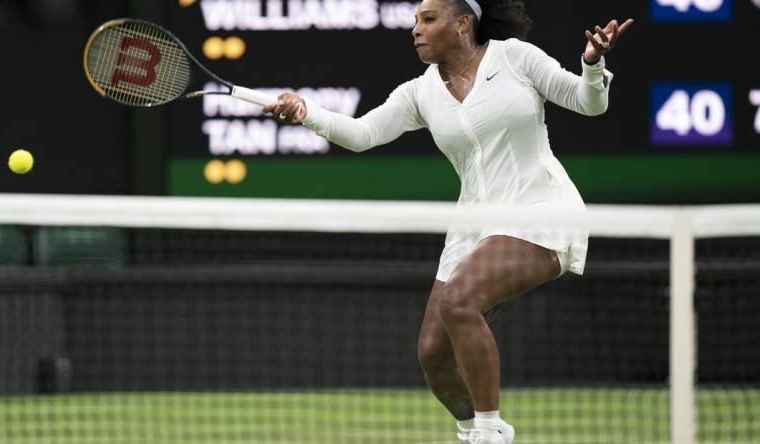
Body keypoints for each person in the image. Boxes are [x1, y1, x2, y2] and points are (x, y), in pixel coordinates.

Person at [264, 1, 633, 442]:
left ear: (462, 24)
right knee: (434, 356)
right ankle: (469, 431)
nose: (415, 29)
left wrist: (593, 65)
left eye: (428, 19)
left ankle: (491, 430)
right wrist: (306, 113)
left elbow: (588, 104)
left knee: (460, 300)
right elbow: (362, 134)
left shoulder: (515, 57)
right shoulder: (420, 92)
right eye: (416, 20)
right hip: (472, 224)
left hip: (540, 207)